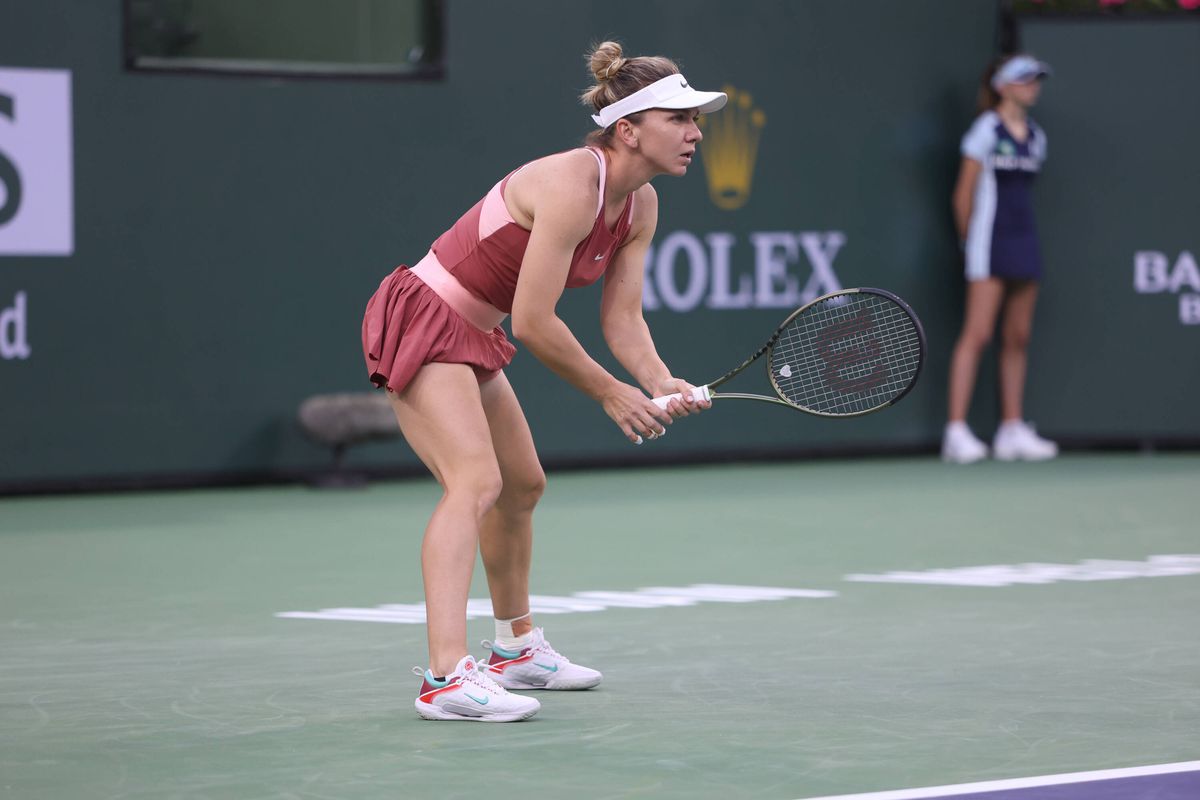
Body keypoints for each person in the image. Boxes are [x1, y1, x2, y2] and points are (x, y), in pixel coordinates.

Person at [361, 41, 723, 722]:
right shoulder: (567, 183)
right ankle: (443, 678)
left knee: (521, 484)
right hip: (425, 316)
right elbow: (532, 320)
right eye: (680, 119)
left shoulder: (639, 205)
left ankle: (515, 649)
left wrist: (657, 378)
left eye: (695, 119)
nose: (695, 133)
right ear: (628, 129)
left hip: (471, 334)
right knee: (476, 483)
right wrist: (612, 393)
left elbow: (622, 317)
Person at [943, 53, 1059, 464]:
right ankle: (956, 431)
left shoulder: (1036, 136)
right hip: (987, 243)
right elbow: (963, 195)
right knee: (978, 335)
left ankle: (1012, 428)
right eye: (1025, 79)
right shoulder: (985, 130)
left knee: (1018, 337)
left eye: (1036, 79)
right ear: (1002, 86)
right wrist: (967, 242)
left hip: (1023, 240)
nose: (1033, 86)